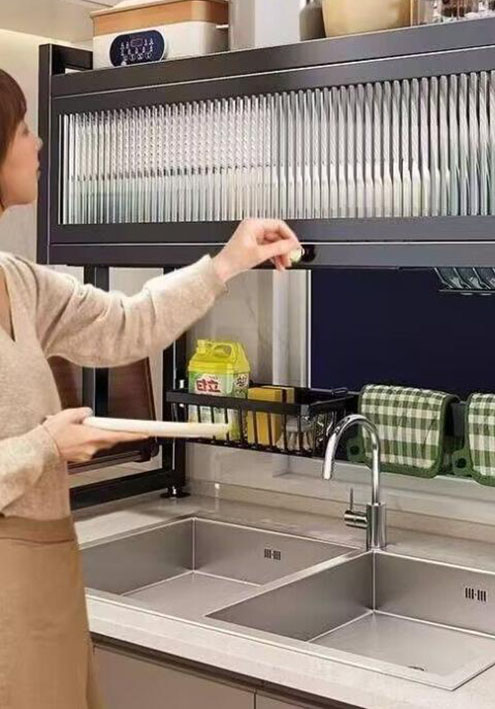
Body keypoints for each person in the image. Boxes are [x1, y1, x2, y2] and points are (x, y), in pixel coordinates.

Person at [0, 68, 301, 708]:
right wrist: (44, 447)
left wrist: (227, 262)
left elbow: (123, 324)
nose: (39, 145)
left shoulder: (15, 282)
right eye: (25, 129)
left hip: (45, 565)